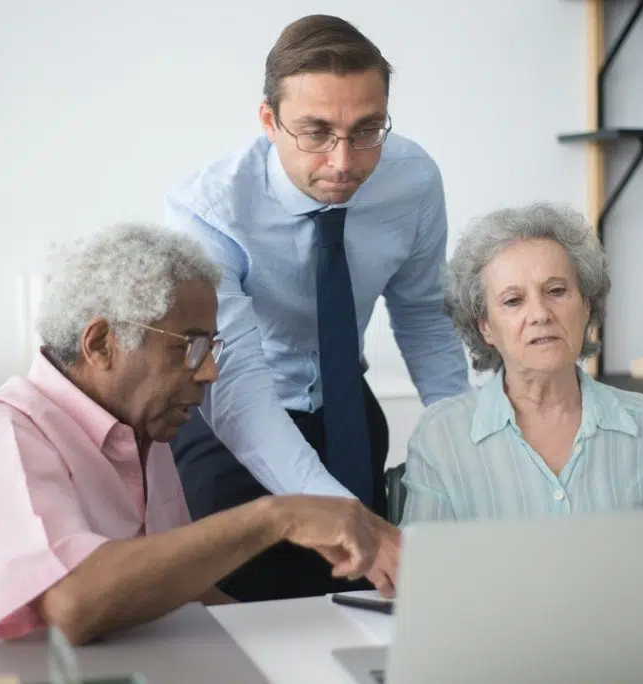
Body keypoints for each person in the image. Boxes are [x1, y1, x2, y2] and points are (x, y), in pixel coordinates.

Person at [0, 223, 400, 645]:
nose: (209, 372)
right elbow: (72, 603)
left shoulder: (141, 430)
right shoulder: (0, 436)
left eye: (212, 348)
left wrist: (310, 642)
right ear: (101, 343)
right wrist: (277, 516)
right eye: (190, 347)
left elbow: (181, 594)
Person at [165, 14, 470, 601]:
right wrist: (340, 515)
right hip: (233, 426)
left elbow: (424, 316)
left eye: (366, 129)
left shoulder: (413, 179)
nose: (343, 161)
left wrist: (464, 442)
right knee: (249, 625)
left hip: (349, 417)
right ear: (268, 121)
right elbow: (239, 389)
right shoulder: (208, 210)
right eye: (316, 132)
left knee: (363, 606)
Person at [399, 202, 643, 558]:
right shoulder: (441, 436)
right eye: (513, 301)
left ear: (586, 305)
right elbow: (419, 572)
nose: (540, 314)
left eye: (557, 291)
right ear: (485, 328)